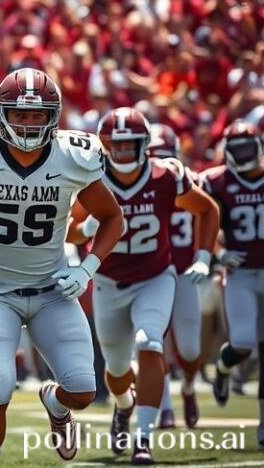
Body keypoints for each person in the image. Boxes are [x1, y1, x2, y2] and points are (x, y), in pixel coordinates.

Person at [0, 68, 124, 467]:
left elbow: (113, 218)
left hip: (51, 286)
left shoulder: (75, 156)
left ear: (54, 115)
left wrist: (86, 269)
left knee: (83, 389)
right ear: (1, 114)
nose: (29, 123)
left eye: (37, 115)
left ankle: (55, 401)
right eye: (19, 114)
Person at [69, 107, 219, 465]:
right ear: (104, 146)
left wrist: (203, 256)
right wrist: (87, 229)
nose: (121, 153)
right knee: (118, 369)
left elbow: (208, 209)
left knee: (149, 341)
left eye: (129, 145)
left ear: (144, 144)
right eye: (115, 146)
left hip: (155, 276)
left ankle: (144, 439)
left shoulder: (167, 175)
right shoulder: (92, 177)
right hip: (107, 279)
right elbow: (68, 229)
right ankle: (123, 406)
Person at [201, 120, 264, 446]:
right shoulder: (216, 182)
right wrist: (219, 250)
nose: (242, 154)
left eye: (247, 147)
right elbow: (203, 219)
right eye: (235, 148)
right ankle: (224, 371)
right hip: (239, 272)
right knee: (243, 342)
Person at [147, 124, 203, 429]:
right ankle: (165, 408)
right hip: (152, 273)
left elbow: (209, 217)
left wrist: (208, 256)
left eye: (166, 157)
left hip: (183, 273)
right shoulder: (140, 182)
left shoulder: (190, 182)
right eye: (155, 156)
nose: (162, 164)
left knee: (191, 350)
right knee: (155, 341)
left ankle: (190, 386)